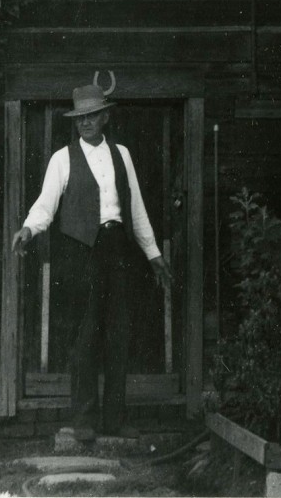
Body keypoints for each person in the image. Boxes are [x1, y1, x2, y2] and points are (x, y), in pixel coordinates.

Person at [12, 73, 172, 443]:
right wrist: (28, 229)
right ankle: (83, 422)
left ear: (105, 117)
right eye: (80, 117)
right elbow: (45, 205)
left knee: (119, 333)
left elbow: (137, 210)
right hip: (80, 252)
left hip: (118, 250)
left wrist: (154, 255)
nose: (85, 122)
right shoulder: (61, 159)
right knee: (85, 335)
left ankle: (114, 421)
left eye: (92, 115)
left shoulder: (123, 155)